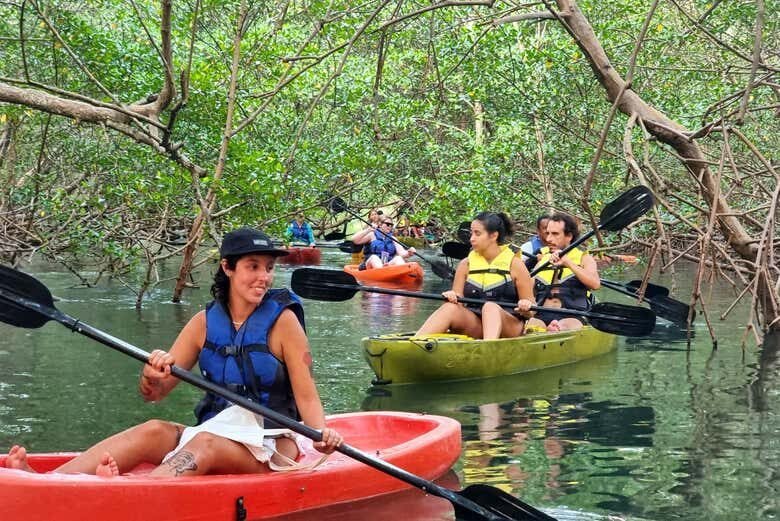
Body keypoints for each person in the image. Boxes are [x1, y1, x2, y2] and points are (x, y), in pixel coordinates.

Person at [4, 227, 342, 477]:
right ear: (228, 267)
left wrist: (321, 435)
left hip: (272, 444)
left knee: (205, 444)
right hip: (219, 430)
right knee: (153, 429)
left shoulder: (283, 322)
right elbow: (154, 394)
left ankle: (128, 495)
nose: (264, 277)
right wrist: (152, 374)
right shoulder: (204, 323)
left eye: (268, 267)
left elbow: (307, 398)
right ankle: (49, 480)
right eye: (253, 266)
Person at [415, 212, 535, 339]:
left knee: (490, 307)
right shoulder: (465, 264)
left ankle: (487, 349)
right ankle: (414, 343)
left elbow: (532, 311)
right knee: (450, 307)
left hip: (510, 327)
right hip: (477, 325)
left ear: (494, 235)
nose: (472, 238)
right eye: (471, 233)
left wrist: (526, 307)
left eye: (477, 234)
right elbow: (459, 301)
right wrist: (453, 297)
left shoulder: (515, 265)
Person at [518, 213, 600, 332]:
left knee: (563, 326)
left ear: (569, 236)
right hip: (541, 315)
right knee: (530, 327)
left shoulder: (584, 258)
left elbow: (595, 284)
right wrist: (526, 308)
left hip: (573, 316)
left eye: (555, 234)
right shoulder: (541, 260)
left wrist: (569, 263)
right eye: (547, 233)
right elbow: (529, 297)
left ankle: (555, 329)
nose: (548, 239)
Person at [351, 217, 416, 270]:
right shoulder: (372, 235)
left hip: (386, 265)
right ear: (380, 224)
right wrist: (368, 230)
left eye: (391, 225)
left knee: (398, 258)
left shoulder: (393, 238)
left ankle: (402, 275)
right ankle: (382, 272)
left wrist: (409, 252)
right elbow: (355, 240)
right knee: (374, 257)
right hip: (370, 265)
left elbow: (402, 252)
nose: (389, 227)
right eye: (387, 224)